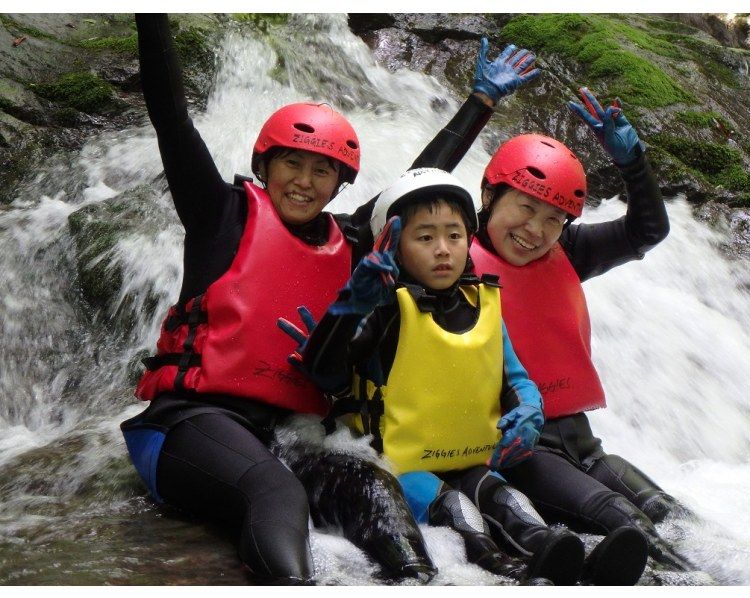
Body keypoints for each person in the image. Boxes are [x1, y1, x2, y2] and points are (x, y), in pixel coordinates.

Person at [119, 13, 540, 584]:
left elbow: (415, 187)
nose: (304, 180)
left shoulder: (352, 243)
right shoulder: (219, 215)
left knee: (369, 485)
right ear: (264, 165)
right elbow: (170, 115)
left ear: (339, 184)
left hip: (288, 435)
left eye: (323, 171)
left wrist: (480, 101)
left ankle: (426, 579)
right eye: (292, 162)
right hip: (188, 423)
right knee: (273, 492)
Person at [294, 167, 649, 585]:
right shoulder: (381, 309)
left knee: (508, 500)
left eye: (455, 236)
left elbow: (514, 377)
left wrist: (530, 409)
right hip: (398, 464)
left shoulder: (483, 304)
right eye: (425, 238)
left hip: (469, 456)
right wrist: (347, 310)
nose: (443, 249)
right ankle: (510, 573)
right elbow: (327, 377)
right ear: (395, 247)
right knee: (454, 509)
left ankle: (573, 561)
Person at [468, 86, 692, 570]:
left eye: (553, 219)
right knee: (626, 525)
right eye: (525, 208)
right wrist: (477, 105)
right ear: (488, 194)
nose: (535, 230)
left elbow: (646, 232)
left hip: (583, 442)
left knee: (672, 518)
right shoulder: (446, 260)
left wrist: (634, 164)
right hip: (519, 452)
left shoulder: (567, 251)